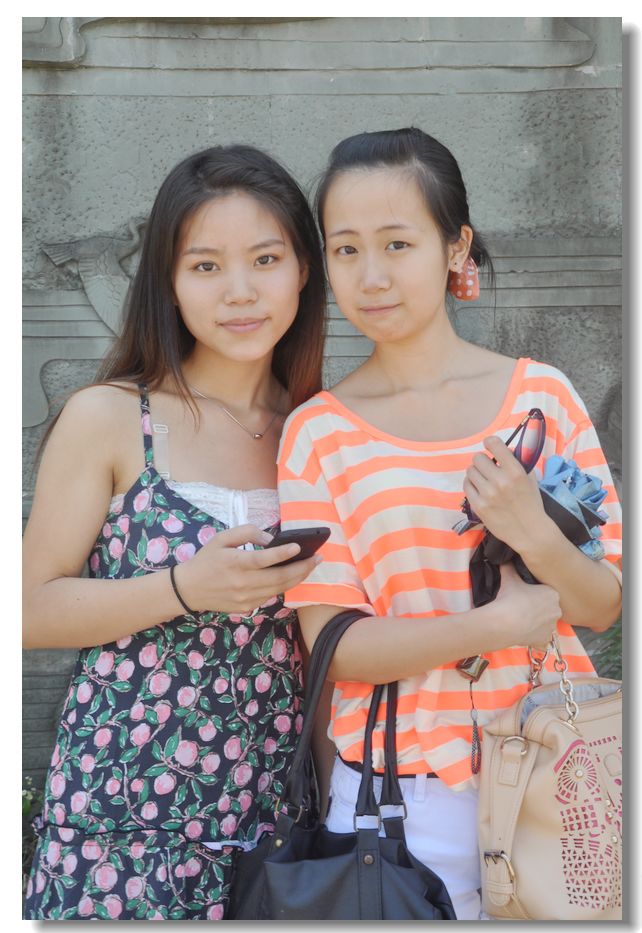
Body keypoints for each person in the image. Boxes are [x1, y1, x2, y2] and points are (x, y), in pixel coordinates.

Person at [277, 127, 622, 920]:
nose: (371, 275)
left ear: (455, 246)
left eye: (397, 244)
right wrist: (495, 625)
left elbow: (603, 603)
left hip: (552, 782)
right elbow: (337, 646)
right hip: (398, 807)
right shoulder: (318, 434)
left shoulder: (541, 399)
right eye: (347, 249)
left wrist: (531, 529)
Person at [22, 144, 328, 920]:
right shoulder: (112, 416)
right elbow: (26, 610)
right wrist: (186, 587)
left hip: (277, 831)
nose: (239, 291)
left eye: (265, 259)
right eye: (205, 266)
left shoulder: (321, 434)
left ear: (303, 270)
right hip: (122, 827)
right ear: (168, 279)